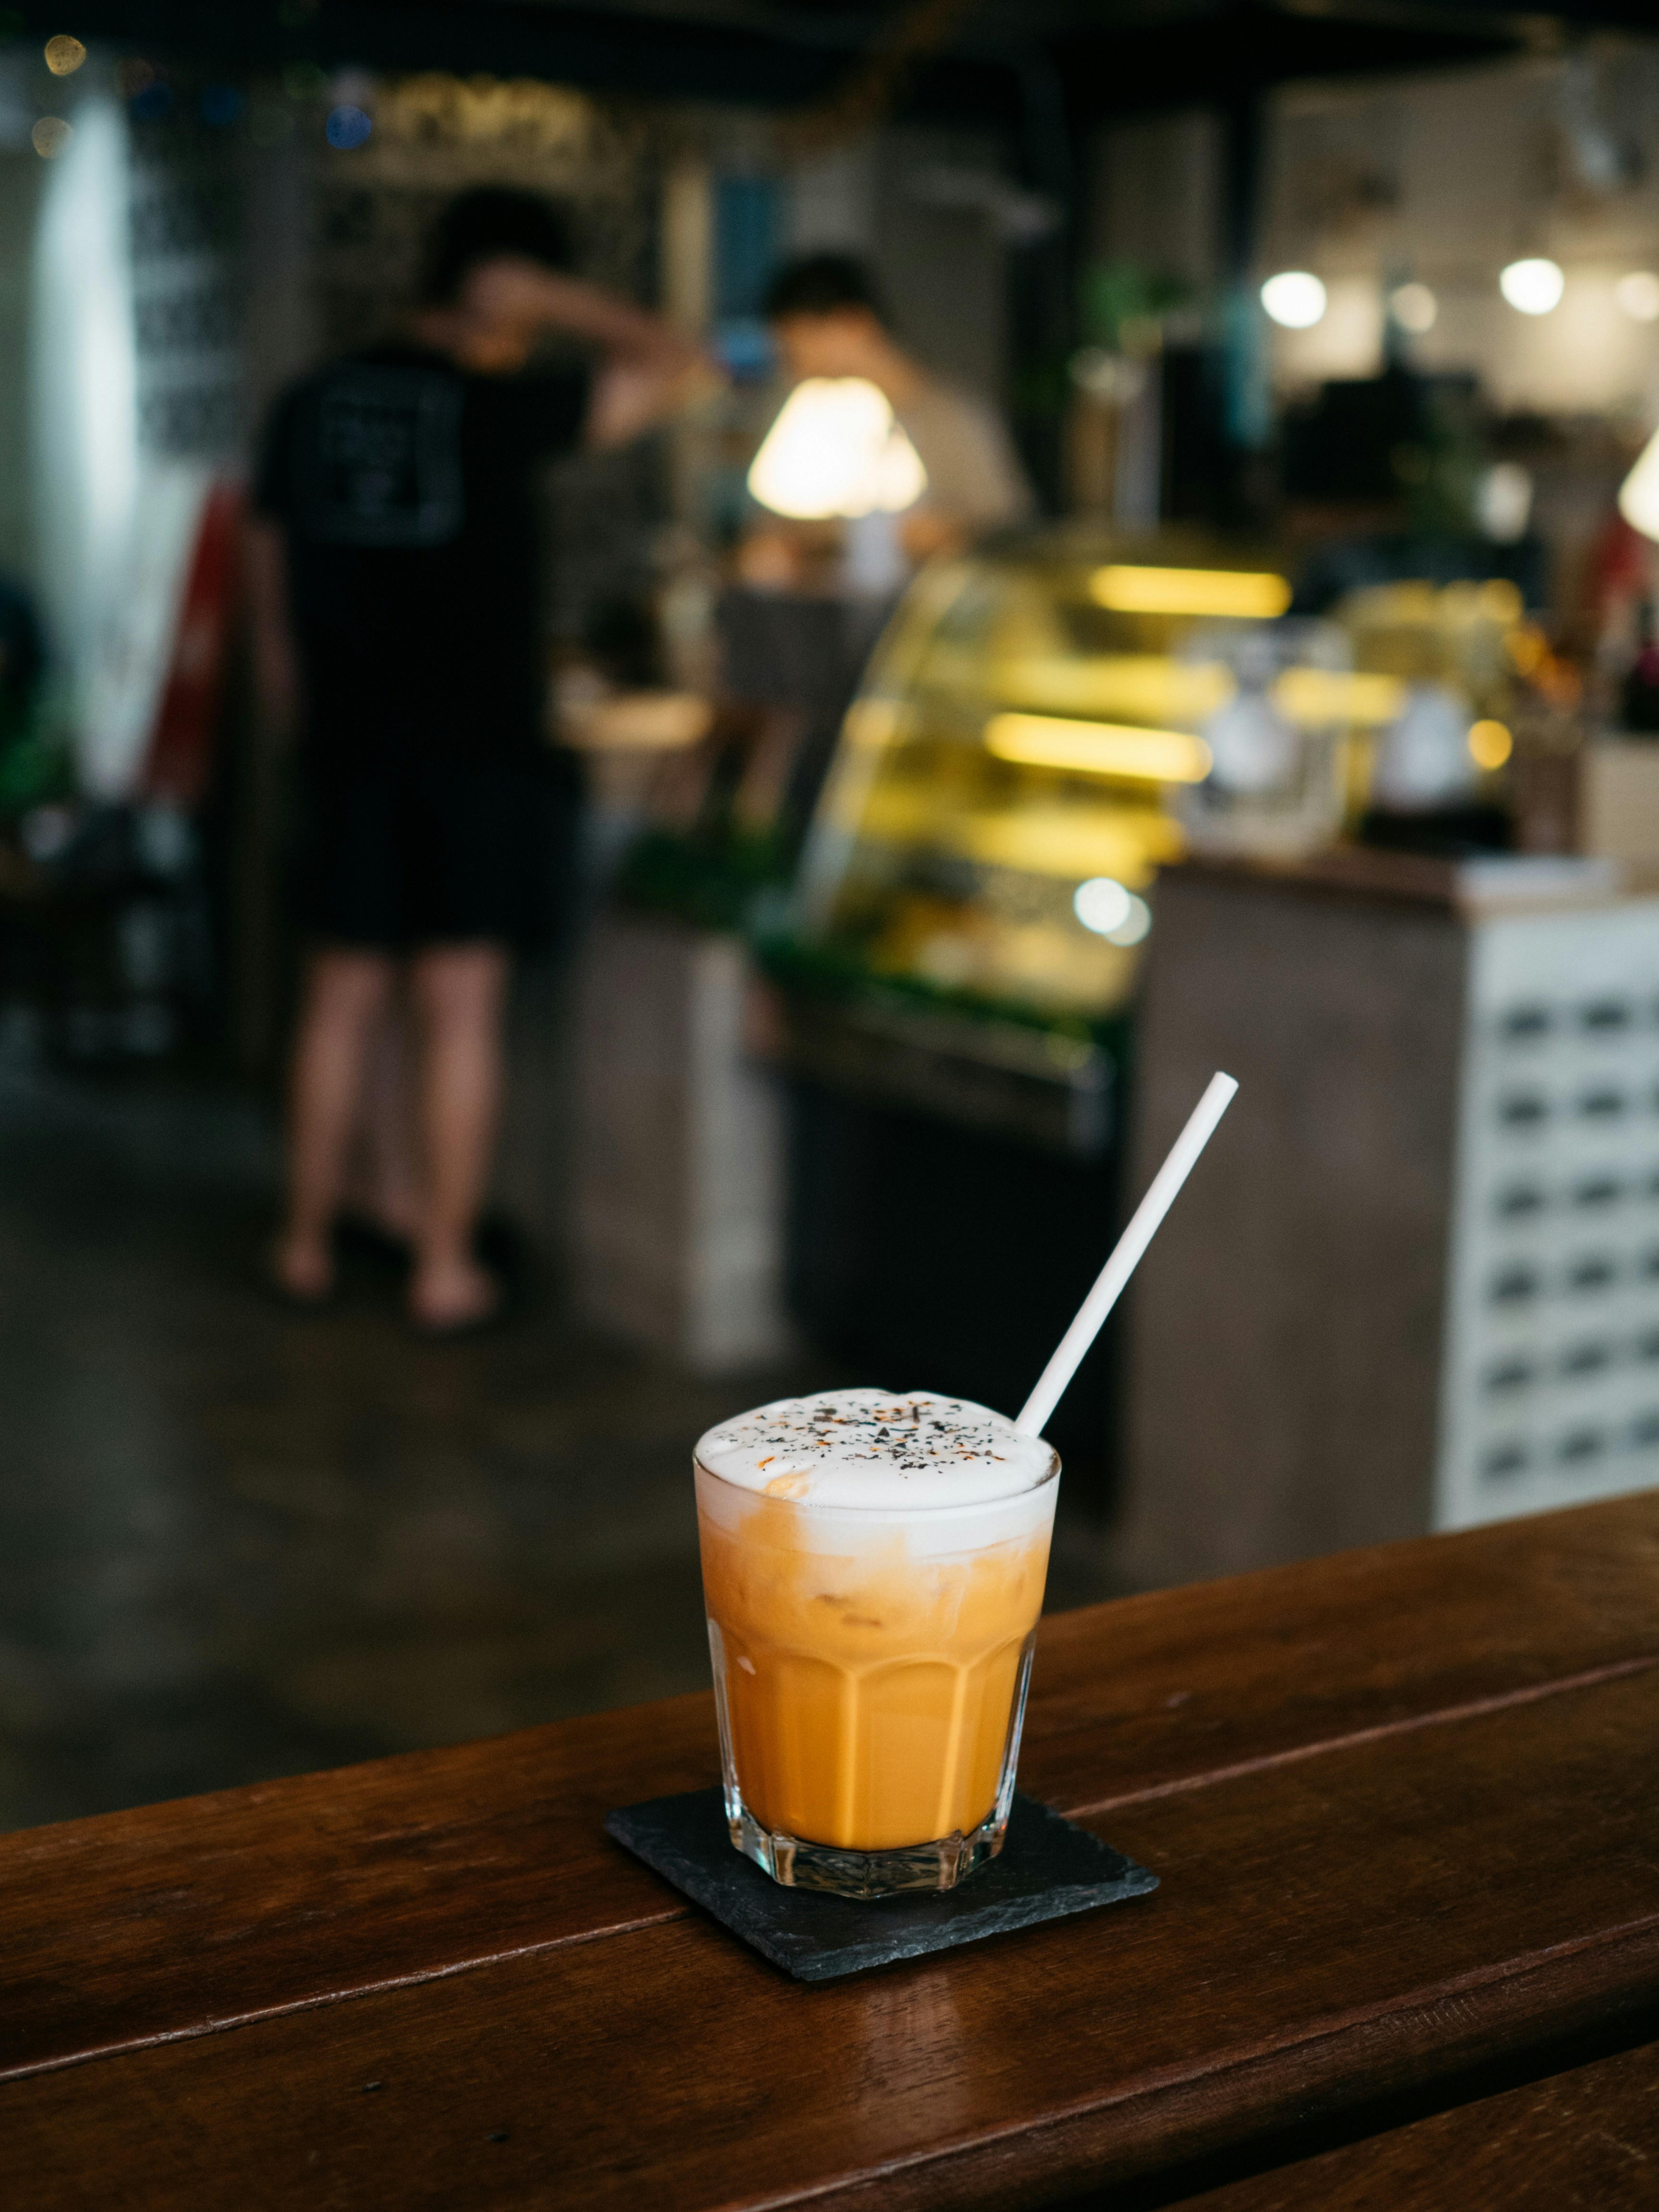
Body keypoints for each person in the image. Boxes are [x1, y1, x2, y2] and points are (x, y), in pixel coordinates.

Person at [248, 188, 707, 1332]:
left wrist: (300, 722)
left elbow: (269, 600)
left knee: (340, 1002)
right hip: (477, 750)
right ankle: (440, 1266)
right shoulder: (500, 404)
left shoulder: (307, 402)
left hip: (348, 749)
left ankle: (306, 1243)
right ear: (505, 288)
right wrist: (556, 298)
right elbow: (686, 365)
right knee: (458, 1006)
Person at [742, 252, 1033, 585]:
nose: (796, 369)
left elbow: (1009, 532)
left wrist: (938, 535)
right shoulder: (804, 411)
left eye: (799, 349)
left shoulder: (951, 418)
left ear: (854, 326)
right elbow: (771, 525)